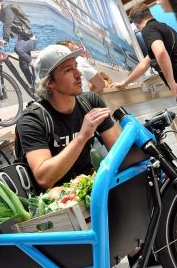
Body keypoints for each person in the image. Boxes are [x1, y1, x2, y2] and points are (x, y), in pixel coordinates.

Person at [14, 45, 119, 189]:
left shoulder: (91, 102)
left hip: (89, 190)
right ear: (49, 82)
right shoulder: (32, 120)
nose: (79, 73)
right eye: (68, 70)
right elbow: (44, 178)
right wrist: (82, 137)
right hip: (57, 202)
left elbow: (120, 153)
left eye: (76, 66)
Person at [111, 3, 177, 141]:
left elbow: (161, 52)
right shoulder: (164, 28)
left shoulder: (148, 30)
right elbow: (145, 63)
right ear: (151, 14)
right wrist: (124, 82)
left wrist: (172, 83)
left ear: (136, 24)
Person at [0, 0, 36, 86]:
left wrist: (5, 39)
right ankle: (34, 88)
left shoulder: (7, 10)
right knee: (24, 67)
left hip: (29, 40)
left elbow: (7, 24)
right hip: (22, 40)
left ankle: (35, 65)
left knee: (18, 48)